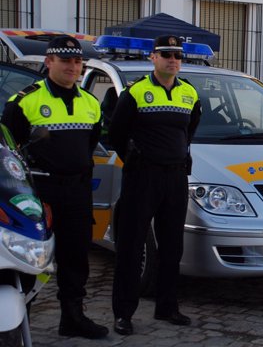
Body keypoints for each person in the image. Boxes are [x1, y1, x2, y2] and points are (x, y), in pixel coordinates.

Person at [1, 36, 108, 339]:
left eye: (77, 62)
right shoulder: (24, 101)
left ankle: (73, 318)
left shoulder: (90, 103)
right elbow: (9, 150)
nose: (72, 67)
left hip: (77, 191)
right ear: (49, 62)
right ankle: (18, 326)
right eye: (65, 61)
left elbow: (89, 145)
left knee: (76, 258)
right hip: (38, 193)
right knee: (27, 259)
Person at [110, 35, 201, 335]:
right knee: (131, 246)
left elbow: (189, 130)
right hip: (142, 178)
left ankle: (167, 307)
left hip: (175, 178)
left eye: (177, 55)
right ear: (153, 57)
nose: (172, 59)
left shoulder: (189, 93)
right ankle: (123, 313)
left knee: (172, 246)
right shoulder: (135, 92)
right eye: (166, 54)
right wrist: (137, 161)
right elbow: (116, 134)